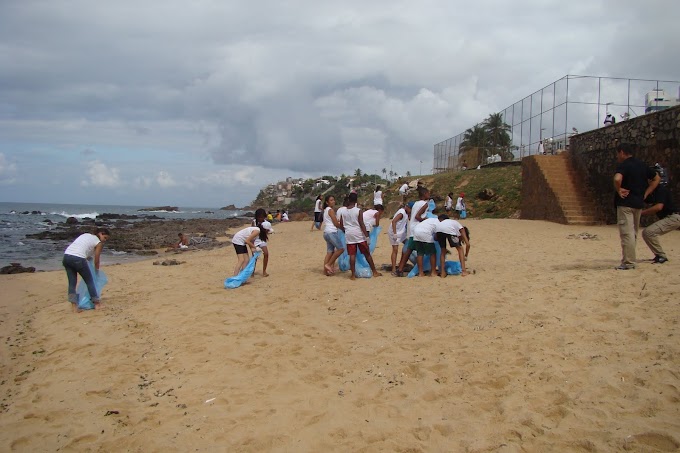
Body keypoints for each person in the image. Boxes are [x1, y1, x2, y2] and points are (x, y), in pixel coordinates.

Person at [613, 143, 660, 270]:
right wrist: (646, 193)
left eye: (618, 153)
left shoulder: (624, 165)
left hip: (625, 203)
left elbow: (617, 179)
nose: (617, 156)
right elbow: (656, 178)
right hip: (638, 203)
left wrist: (619, 190)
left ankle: (629, 262)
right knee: (633, 233)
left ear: (622, 152)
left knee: (626, 234)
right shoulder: (642, 165)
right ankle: (630, 259)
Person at [63, 227, 111, 311]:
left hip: (66, 257)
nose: (104, 240)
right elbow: (97, 259)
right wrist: (96, 271)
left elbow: (84, 250)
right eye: (105, 237)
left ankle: (74, 307)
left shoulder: (85, 235)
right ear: (100, 233)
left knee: (72, 283)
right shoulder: (98, 242)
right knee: (89, 281)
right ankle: (97, 304)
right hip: (78, 259)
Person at [338, 192, 382, 280]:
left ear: (349, 200)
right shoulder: (358, 211)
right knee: (367, 253)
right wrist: (367, 236)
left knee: (352, 255)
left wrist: (346, 231)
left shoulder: (343, 212)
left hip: (349, 234)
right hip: (359, 234)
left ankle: (353, 275)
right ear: (356, 200)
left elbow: (342, 225)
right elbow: (361, 224)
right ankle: (374, 271)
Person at [394, 186, 430, 276]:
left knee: (409, 250)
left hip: (412, 228)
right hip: (418, 229)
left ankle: (400, 269)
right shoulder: (425, 204)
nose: (429, 195)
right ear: (425, 194)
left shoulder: (416, 203)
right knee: (420, 251)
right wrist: (426, 220)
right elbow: (418, 216)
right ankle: (421, 271)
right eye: (428, 193)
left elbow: (413, 216)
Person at [641, 181, 679, 264]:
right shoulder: (655, 191)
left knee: (648, 232)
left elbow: (658, 207)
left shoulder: (661, 190)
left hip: (673, 217)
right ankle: (659, 255)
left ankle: (661, 256)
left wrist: (641, 213)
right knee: (648, 233)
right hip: (671, 218)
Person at [321, 195, 344, 276]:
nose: (333, 201)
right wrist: (343, 228)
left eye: (333, 200)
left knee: (330, 252)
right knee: (341, 249)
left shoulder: (326, 210)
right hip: (331, 232)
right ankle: (329, 265)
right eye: (331, 200)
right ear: (327, 202)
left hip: (326, 232)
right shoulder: (330, 210)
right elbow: (336, 224)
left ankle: (325, 271)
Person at [388, 203, 411, 272]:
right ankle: (393, 268)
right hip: (394, 232)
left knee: (407, 245)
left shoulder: (407, 213)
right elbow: (394, 221)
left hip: (401, 232)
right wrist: (395, 233)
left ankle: (402, 263)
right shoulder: (402, 213)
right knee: (395, 250)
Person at [252, 208, 272, 276]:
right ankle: (252, 271)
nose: (261, 218)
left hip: (262, 240)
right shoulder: (254, 222)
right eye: (259, 217)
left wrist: (267, 231)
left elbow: (267, 232)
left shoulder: (266, 223)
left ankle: (264, 271)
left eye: (262, 217)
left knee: (266, 253)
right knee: (254, 257)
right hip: (255, 240)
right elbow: (251, 232)